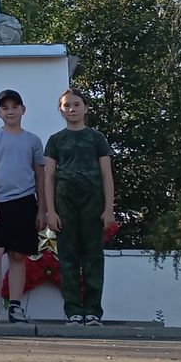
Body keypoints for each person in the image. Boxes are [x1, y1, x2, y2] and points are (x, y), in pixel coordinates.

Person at [0, 88, 46, 324]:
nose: (10, 111)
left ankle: (15, 308)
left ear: (23, 109)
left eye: (14, 107)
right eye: (5, 108)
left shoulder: (33, 140)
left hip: (24, 203)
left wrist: (42, 209)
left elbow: (40, 176)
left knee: (17, 255)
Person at [43, 88, 115, 326]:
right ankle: (73, 310)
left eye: (76, 104)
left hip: (93, 204)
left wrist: (109, 209)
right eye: (66, 105)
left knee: (93, 258)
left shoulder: (97, 138)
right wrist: (51, 211)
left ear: (86, 107)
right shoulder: (55, 140)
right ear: (60, 110)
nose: (72, 109)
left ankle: (93, 311)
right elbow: (49, 177)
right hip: (65, 204)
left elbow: (106, 174)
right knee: (68, 258)